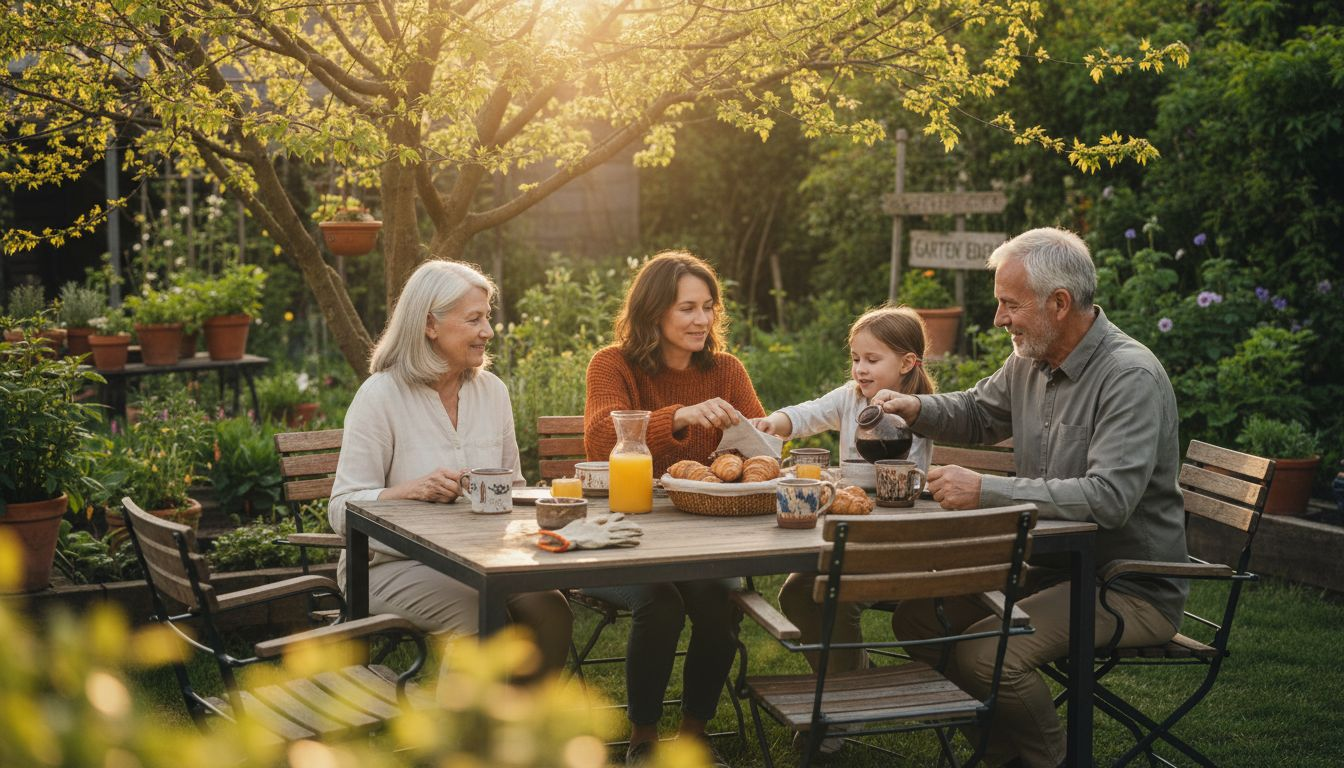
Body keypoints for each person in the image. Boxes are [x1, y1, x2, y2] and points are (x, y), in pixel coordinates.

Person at [872, 227, 1187, 768]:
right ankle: (1001, 754)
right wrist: (913, 407)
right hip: (1046, 567)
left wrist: (985, 489)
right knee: (918, 618)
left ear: (1059, 304)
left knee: (986, 653)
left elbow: (1109, 499)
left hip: (1123, 584)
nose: (998, 319)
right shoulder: (1030, 358)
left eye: (1009, 304)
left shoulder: (1128, 376)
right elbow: (976, 412)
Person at [329, 259, 572, 678]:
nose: (488, 331)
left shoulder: (492, 393)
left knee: (552, 610)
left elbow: (513, 487)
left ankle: (523, 733)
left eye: (487, 318)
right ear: (430, 325)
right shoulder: (381, 396)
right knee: (480, 616)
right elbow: (340, 509)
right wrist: (406, 492)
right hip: (385, 568)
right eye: (474, 319)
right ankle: (459, 742)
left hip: (482, 562)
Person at [583, 250, 766, 766]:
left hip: (700, 534)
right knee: (659, 601)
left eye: (708, 307)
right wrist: (678, 417)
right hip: (621, 531)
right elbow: (600, 440)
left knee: (718, 601)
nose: (702, 320)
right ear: (654, 311)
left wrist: (744, 447)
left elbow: (760, 449)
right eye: (687, 308)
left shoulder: (726, 370)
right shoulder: (612, 364)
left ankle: (692, 737)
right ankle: (644, 739)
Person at [753, 304, 937, 755]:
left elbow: (904, 479)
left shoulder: (922, 411)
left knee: (839, 597)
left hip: (897, 541)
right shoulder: (850, 398)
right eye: (856, 358)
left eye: (872, 360)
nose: (860, 369)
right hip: (847, 535)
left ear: (907, 362)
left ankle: (836, 711)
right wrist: (776, 422)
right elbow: (808, 413)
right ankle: (850, 673)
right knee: (795, 594)